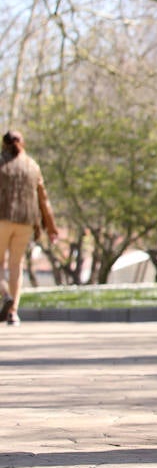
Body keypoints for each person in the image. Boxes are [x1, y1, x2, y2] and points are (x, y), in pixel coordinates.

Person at [0, 130, 58, 326]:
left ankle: (5, 294)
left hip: (2, 219)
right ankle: (13, 313)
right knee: (16, 265)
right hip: (26, 221)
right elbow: (43, 199)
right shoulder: (32, 166)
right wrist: (51, 227)